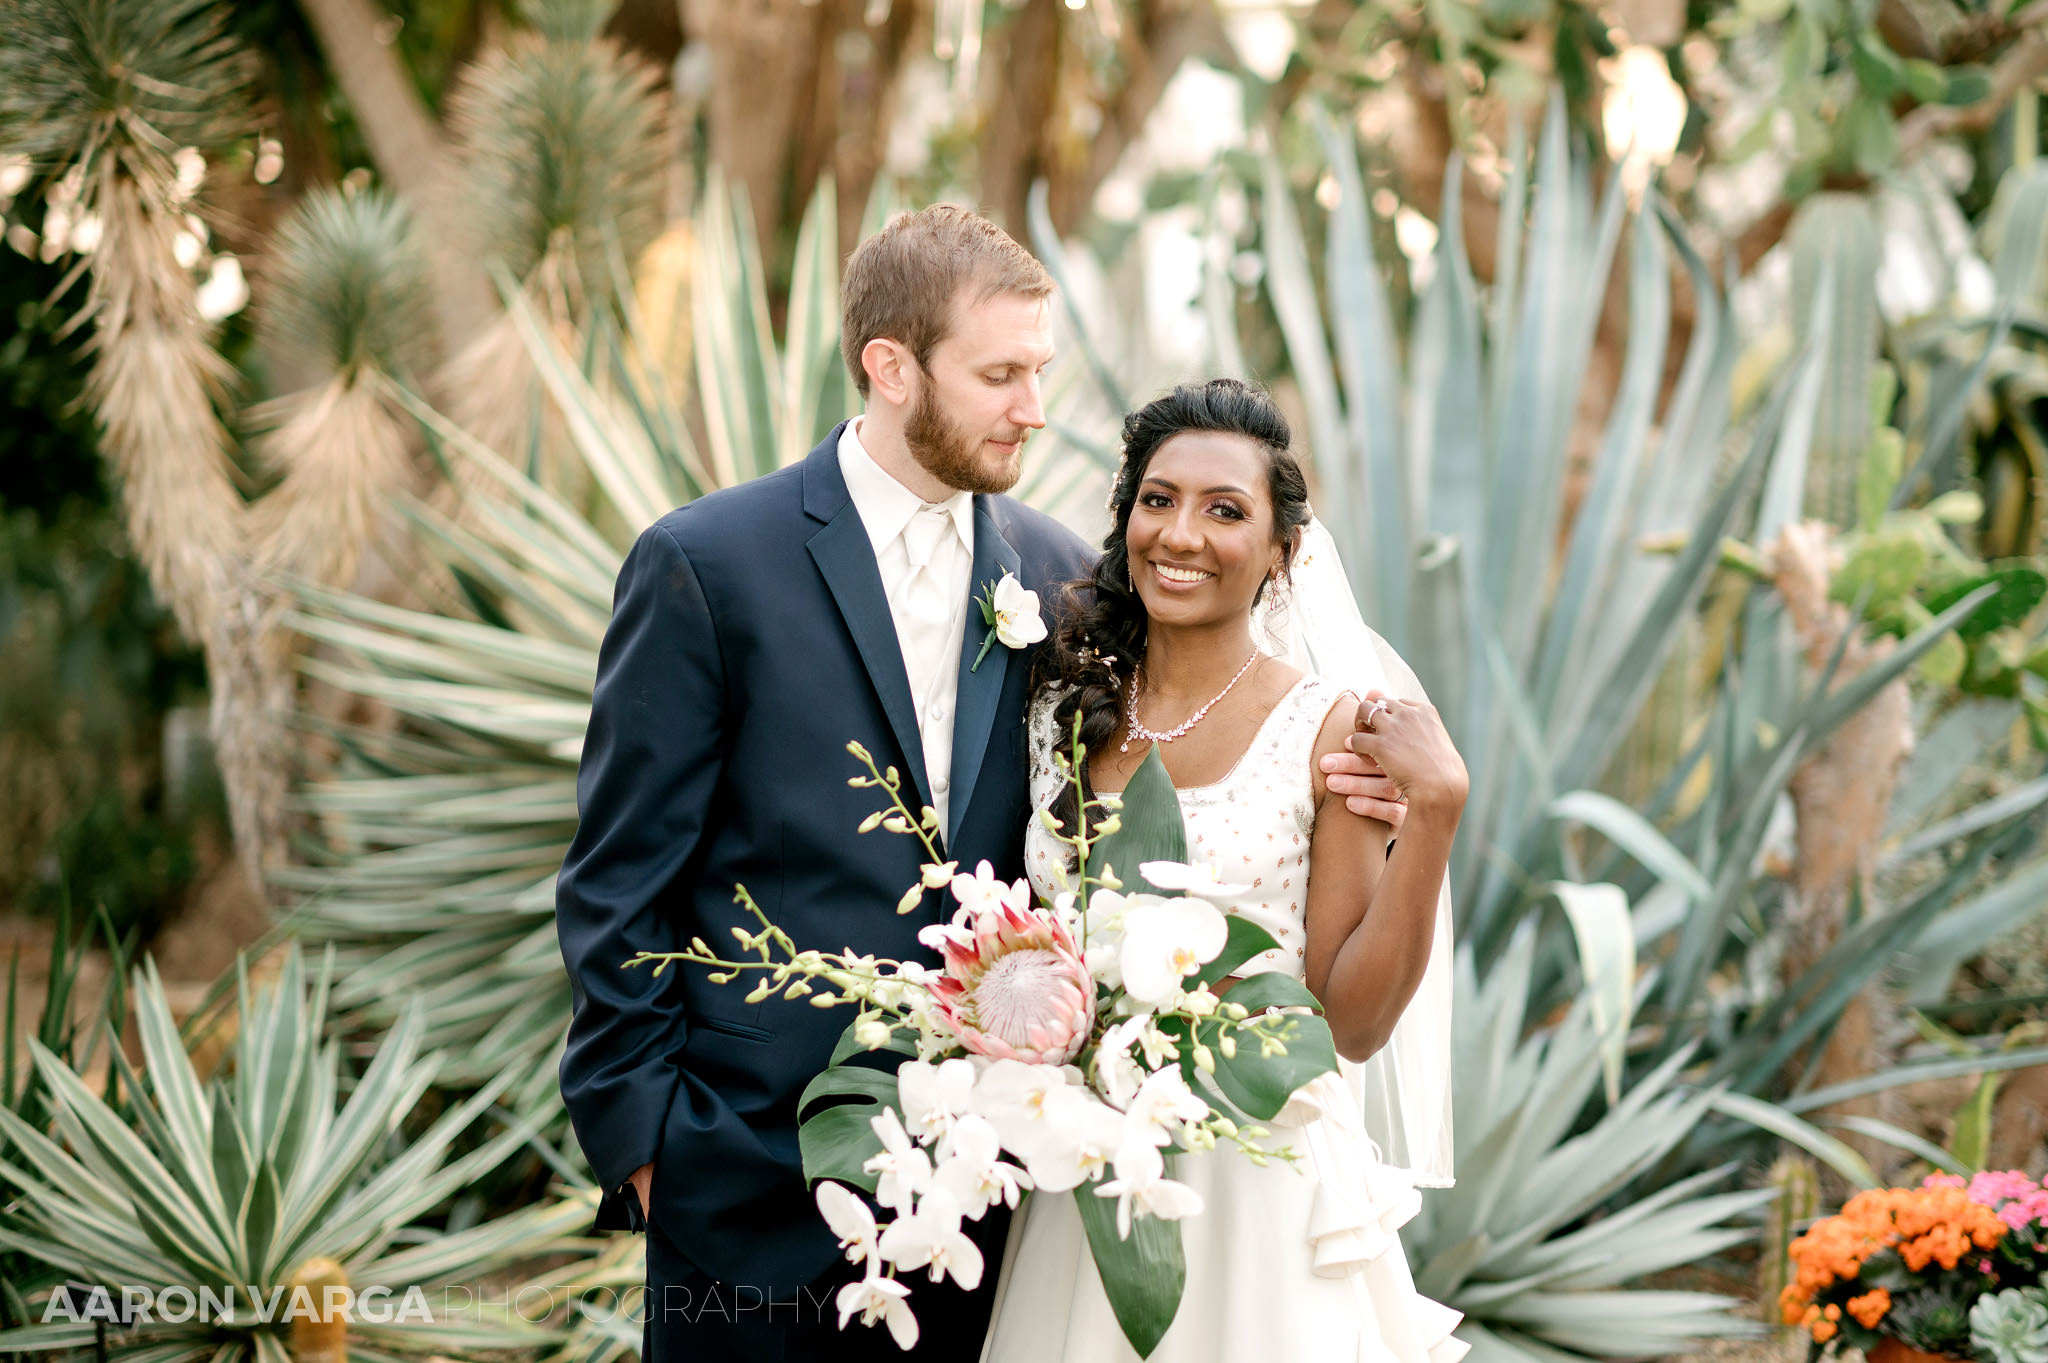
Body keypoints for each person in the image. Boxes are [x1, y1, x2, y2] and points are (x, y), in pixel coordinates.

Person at [555, 205, 1408, 1362]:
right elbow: (615, 884)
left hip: (999, 1203)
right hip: (740, 1179)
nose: (1035, 407)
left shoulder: (1057, 577)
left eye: (1040, 369)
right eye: (1000, 373)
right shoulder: (707, 567)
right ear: (891, 367)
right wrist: (648, 1149)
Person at [982, 379, 1471, 1363]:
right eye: (1157, 500)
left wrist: (1434, 815)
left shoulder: (1327, 729)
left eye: (1225, 510)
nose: (1181, 534)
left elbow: (1353, 1023)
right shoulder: (1058, 712)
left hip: (1257, 1192)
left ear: (1281, 552)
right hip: (1082, 1181)